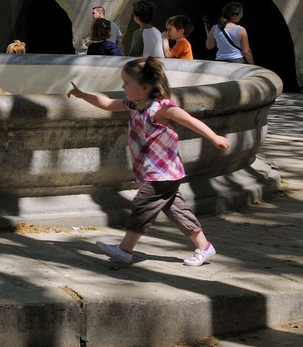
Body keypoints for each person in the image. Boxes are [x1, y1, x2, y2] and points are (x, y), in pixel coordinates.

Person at [67, 57, 229, 266]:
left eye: (126, 83)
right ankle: (205, 247)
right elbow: (107, 104)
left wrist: (214, 138)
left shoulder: (161, 108)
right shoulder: (134, 103)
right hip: (162, 173)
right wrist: (82, 94)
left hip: (162, 173)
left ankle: (125, 250)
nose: (122, 86)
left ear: (144, 87)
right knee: (176, 210)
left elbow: (190, 120)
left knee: (142, 207)